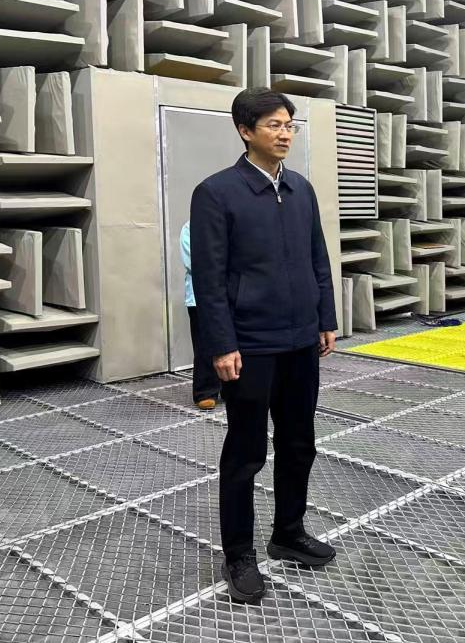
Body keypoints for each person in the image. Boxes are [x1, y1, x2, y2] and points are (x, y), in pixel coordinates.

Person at [191, 87, 339, 603]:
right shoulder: (217, 193)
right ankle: (239, 554)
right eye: (274, 124)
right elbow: (209, 279)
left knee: (299, 444)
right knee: (246, 452)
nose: (285, 133)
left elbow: (318, 258)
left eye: (289, 125)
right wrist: (221, 344)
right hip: (250, 346)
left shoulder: (301, 189)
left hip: (300, 342)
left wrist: (326, 317)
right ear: (245, 131)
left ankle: (288, 533)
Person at [180, 221, 222, 409]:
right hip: (199, 298)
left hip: (227, 297)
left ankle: (230, 389)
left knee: (231, 344)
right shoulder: (189, 228)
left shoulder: (225, 224)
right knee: (204, 346)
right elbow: (193, 262)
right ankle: (205, 391)